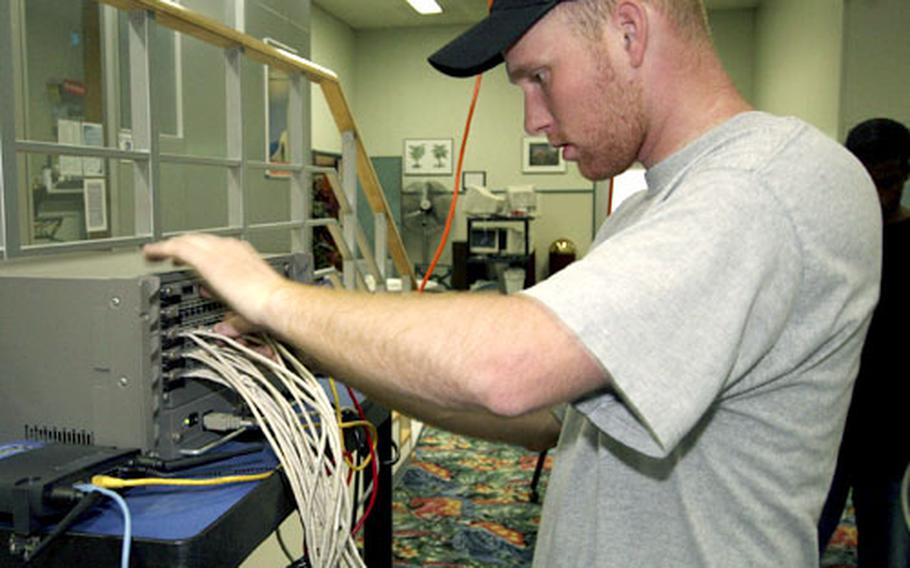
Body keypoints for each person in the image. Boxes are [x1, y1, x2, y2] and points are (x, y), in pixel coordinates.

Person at [144, 0, 882, 564]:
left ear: (629, 30)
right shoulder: (660, 208)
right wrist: (322, 351)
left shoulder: (769, 184)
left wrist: (270, 293)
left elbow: (509, 368)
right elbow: (557, 416)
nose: (532, 118)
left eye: (539, 76)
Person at [818, 118, 910, 567]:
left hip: (892, 427)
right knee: (797, 539)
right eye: (865, 181)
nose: (877, 195)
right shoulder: (836, 240)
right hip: (831, 419)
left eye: (889, 183)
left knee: (887, 544)